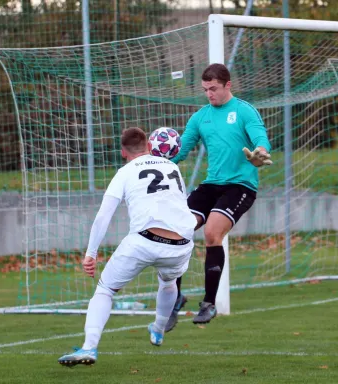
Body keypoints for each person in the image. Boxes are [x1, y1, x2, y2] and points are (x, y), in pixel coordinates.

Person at [58, 127, 196, 367]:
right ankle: (159, 329)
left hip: (144, 241)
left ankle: (89, 347)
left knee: (105, 290)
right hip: (181, 244)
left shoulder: (125, 171)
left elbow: (104, 216)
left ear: (123, 152)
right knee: (169, 282)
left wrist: (91, 254)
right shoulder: (172, 167)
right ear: (149, 146)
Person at [165, 63, 272, 332]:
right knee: (174, 230)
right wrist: (155, 160)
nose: (209, 94)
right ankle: (175, 297)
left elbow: (261, 139)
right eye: (205, 90)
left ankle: (209, 302)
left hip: (240, 187)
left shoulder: (244, 110)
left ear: (228, 85)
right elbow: (181, 151)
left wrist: (260, 152)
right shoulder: (200, 117)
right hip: (211, 185)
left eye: (213, 89)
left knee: (212, 232)